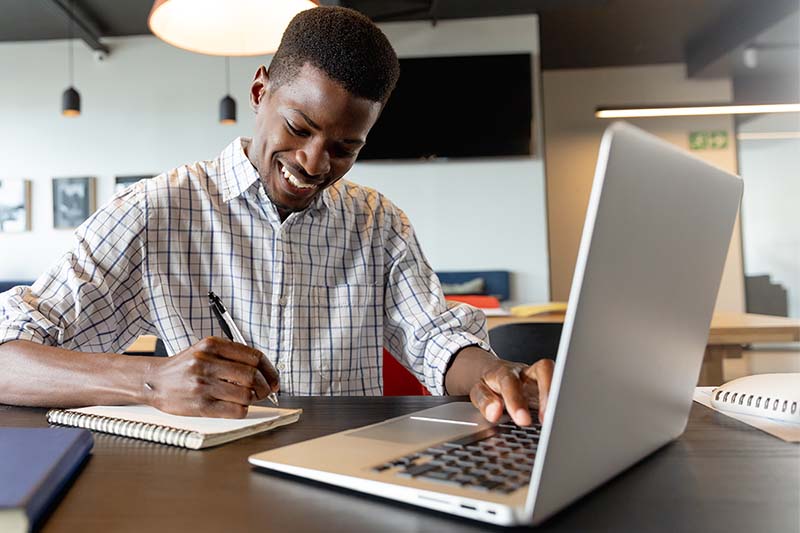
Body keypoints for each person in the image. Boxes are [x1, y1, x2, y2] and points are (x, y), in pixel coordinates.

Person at [0, 6, 553, 426]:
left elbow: (435, 337)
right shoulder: (156, 211)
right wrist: (149, 380)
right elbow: (6, 356)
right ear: (261, 90)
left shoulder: (378, 224)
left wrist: (492, 376)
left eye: (344, 147)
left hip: (344, 476)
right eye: (299, 128)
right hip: (203, 488)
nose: (315, 163)